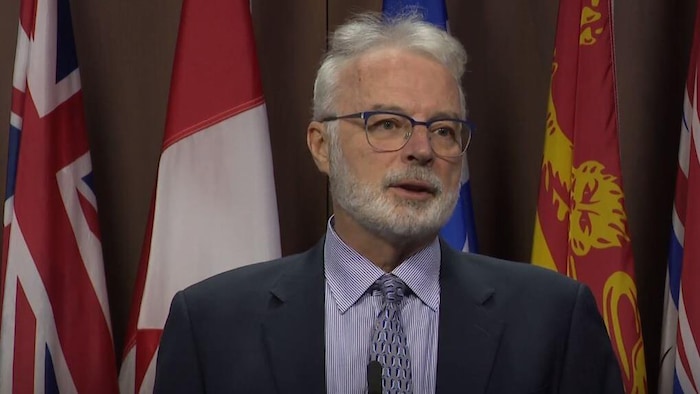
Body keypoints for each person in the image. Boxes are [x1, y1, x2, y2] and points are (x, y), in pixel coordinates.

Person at [153, 12, 623, 394]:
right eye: (387, 124)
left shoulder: (555, 321)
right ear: (322, 145)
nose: (422, 150)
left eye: (443, 130)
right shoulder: (211, 325)